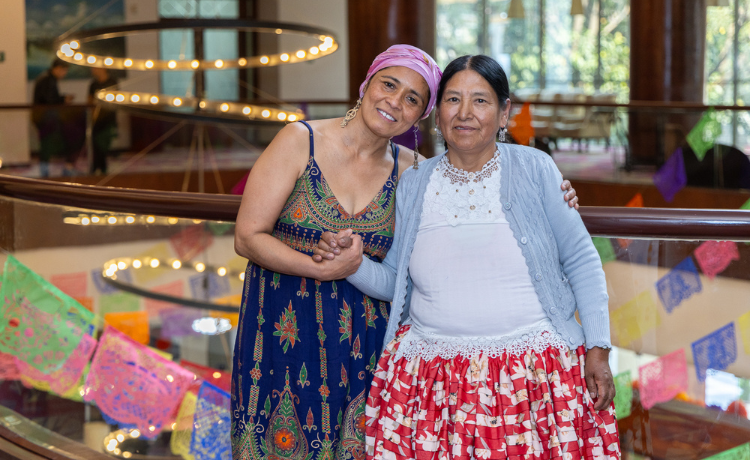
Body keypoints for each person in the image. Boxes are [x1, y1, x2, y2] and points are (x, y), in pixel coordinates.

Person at [315, 55, 619, 460]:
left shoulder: (535, 169)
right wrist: (353, 264)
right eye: (453, 99)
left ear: (504, 111)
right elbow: (396, 282)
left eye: (481, 101)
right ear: (437, 114)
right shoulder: (414, 183)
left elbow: (582, 261)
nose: (465, 113)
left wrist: (598, 348)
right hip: (430, 382)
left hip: (533, 380)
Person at [32, 58, 73, 177]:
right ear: (58, 69)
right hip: (46, 117)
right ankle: (45, 171)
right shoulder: (48, 80)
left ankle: (46, 170)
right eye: (64, 71)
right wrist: (63, 100)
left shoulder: (47, 78)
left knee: (48, 143)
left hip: (44, 117)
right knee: (48, 143)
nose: (64, 74)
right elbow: (49, 100)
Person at [88, 67, 118, 175]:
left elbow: (115, 99)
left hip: (108, 118)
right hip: (97, 120)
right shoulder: (93, 84)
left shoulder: (112, 82)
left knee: (103, 143)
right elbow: (89, 101)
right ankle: (98, 168)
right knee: (96, 144)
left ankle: (99, 168)